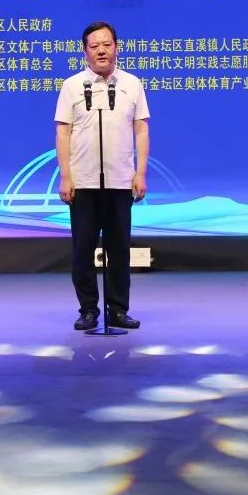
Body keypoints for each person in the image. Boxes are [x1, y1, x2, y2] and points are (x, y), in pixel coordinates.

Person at [54, 21, 150, 330]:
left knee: (118, 250)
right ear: (85, 52)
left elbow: (141, 129)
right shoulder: (72, 86)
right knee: (83, 250)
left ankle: (118, 310)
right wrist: (66, 176)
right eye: (94, 46)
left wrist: (140, 173)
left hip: (120, 180)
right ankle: (88, 310)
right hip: (83, 182)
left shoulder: (132, 84)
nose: (101, 51)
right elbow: (63, 132)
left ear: (117, 48)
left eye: (107, 45)